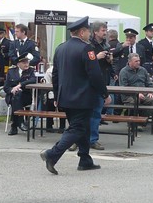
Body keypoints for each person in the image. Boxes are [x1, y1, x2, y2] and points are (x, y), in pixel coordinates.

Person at [40, 16, 109, 175]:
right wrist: (104, 93)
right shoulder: (87, 49)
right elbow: (95, 75)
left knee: (82, 127)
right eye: (88, 32)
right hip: (83, 98)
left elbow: (55, 75)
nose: (89, 35)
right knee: (78, 128)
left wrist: (57, 96)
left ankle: (85, 159)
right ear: (82, 32)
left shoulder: (60, 48)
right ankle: (52, 154)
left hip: (65, 97)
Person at [88, 21, 114, 150]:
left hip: (101, 82)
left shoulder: (106, 45)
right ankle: (78, 139)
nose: (105, 32)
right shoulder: (88, 45)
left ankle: (93, 139)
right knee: (84, 114)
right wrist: (96, 57)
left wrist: (109, 60)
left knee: (97, 114)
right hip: (88, 84)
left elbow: (108, 66)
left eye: (106, 30)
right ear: (96, 32)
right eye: (103, 30)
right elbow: (85, 63)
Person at [5, 54, 36, 135]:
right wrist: (12, 90)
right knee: (16, 96)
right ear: (18, 64)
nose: (26, 64)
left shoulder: (30, 71)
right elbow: (6, 87)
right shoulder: (11, 71)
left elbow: (33, 80)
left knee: (17, 97)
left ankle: (14, 126)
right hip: (12, 96)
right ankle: (21, 122)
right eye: (24, 62)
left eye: (27, 62)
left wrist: (20, 85)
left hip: (25, 97)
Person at [43, 64, 66, 133]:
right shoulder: (49, 71)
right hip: (51, 92)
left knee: (63, 105)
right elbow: (46, 84)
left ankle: (62, 126)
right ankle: (49, 125)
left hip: (63, 94)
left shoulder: (66, 69)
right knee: (50, 101)